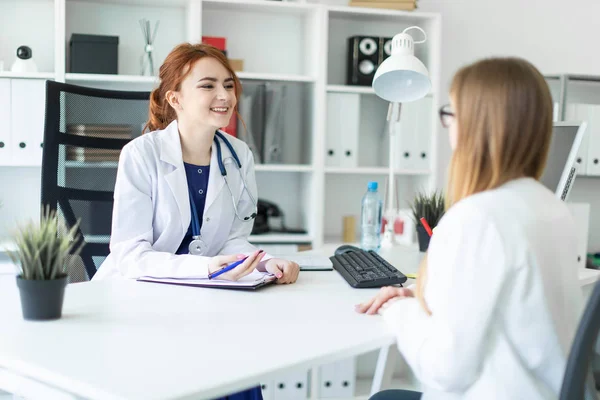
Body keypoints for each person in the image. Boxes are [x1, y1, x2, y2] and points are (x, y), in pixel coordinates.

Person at [356, 57, 583, 400]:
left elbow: (445, 371)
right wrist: (425, 303)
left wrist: (398, 310)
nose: (448, 125)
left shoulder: (478, 218)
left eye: (452, 112)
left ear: (478, 124)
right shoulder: (552, 208)